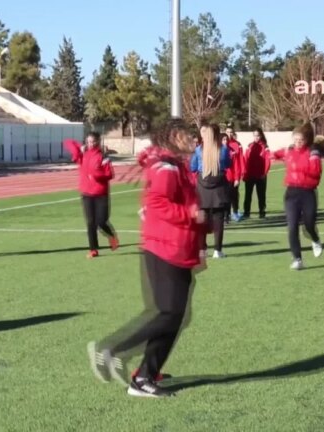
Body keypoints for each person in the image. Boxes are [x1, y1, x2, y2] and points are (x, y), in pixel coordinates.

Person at [87, 120, 205, 398]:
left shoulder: (174, 165)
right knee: (170, 314)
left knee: (175, 316)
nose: (193, 140)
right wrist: (190, 215)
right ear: (175, 136)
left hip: (175, 247)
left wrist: (200, 234)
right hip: (166, 248)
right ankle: (116, 352)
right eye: (189, 135)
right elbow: (158, 204)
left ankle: (146, 373)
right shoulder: (166, 168)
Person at [271, 124, 323, 270]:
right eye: (295, 140)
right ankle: (297, 259)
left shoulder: (313, 153)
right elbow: (277, 153)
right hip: (291, 193)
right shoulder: (289, 150)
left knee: (309, 224)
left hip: (308, 192)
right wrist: (271, 156)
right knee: (292, 226)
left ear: (306, 140)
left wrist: (299, 166)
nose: (297, 142)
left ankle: (315, 239)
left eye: (300, 140)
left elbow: (316, 172)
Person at [63, 132, 119, 258]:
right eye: (88, 142)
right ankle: (93, 249)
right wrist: (79, 150)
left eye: (93, 141)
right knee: (90, 222)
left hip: (101, 193)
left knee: (101, 221)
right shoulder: (82, 155)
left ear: (98, 142)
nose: (90, 144)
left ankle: (112, 236)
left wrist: (97, 176)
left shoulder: (103, 156)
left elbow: (110, 174)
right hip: (86, 193)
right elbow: (67, 141)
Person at [190, 124, 231, 259]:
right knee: (218, 218)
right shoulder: (223, 149)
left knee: (202, 218)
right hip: (219, 186)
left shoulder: (198, 150)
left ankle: (202, 250)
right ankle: (217, 250)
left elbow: (193, 167)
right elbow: (227, 164)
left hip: (202, 185)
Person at [242, 127, 271, 219]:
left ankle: (262, 211)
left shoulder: (265, 147)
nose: (256, 137)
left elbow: (267, 161)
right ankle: (246, 212)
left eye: (258, 135)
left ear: (261, 135)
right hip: (250, 175)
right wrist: (245, 173)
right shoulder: (249, 146)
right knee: (248, 194)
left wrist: (264, 173)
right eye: (254, 135)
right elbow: (245, 160)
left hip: (260, 176)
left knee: (261, 195)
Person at [224, 125, 244, 222]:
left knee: (234, 195)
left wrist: (239, 176)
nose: (229, 134)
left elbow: (239, 161)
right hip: (223, 176)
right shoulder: (221, 145)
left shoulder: (237, 145)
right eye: (227, 132)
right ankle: (226, 215)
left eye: (231, 132)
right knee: (225, 197)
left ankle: (235, 212)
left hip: (234, 176)